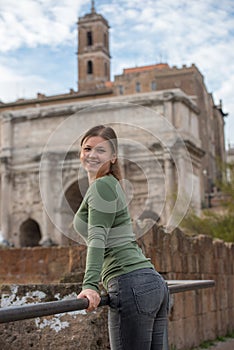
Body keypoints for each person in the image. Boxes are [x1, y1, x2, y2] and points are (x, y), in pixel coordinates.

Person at [73, 125, 169, 350]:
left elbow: (97, 239)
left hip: (130, 283)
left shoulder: (102, 187)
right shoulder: (108, 185)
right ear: (80, 153)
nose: (92, 155)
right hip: (152, 283)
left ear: (113, 157)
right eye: (88, 148)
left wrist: (90, 286)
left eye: (101, 150)